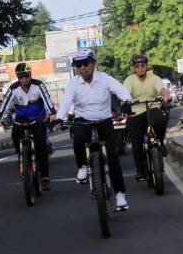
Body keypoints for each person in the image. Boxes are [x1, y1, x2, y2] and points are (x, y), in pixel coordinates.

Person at [55, 49, 132, 211]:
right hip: (83, 120)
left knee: (113, 157)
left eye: (85, 63)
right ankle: (82, 166)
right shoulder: (73, 83)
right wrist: (59, 117)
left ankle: (120, 194)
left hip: (104, 120)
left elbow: (120, 89)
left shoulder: (104, 78)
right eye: (78, 65)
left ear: (93, 64)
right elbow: (66, 101)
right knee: (77, 139)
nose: (82, 68)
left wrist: (127, 102)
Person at [0, 63, 57, 191]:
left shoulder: (38, 85)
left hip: (38, 119)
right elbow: (5, 103)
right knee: (14, 133)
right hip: (21, 119)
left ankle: (45, 178)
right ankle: (20, 155)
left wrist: (53, 113)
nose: (24, 79)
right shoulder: (13, 88)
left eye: (26, 76)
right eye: (21, 77)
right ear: (18, 77)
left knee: (41, 147)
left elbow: (47, 99)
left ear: (30, 75)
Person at [123, 53, 170, 182]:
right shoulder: (130, 80)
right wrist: (125, 103)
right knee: (136, 140)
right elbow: (125, 94)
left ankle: (160, 142)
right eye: (137, 66)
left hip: (152, 108)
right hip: (136, 112)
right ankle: (140, 169)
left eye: (142, 65)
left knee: (161, 120)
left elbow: (162, 90)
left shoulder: (154, 78)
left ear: (146, 66)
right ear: (134, 68)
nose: (140, 68)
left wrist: (165, 95)